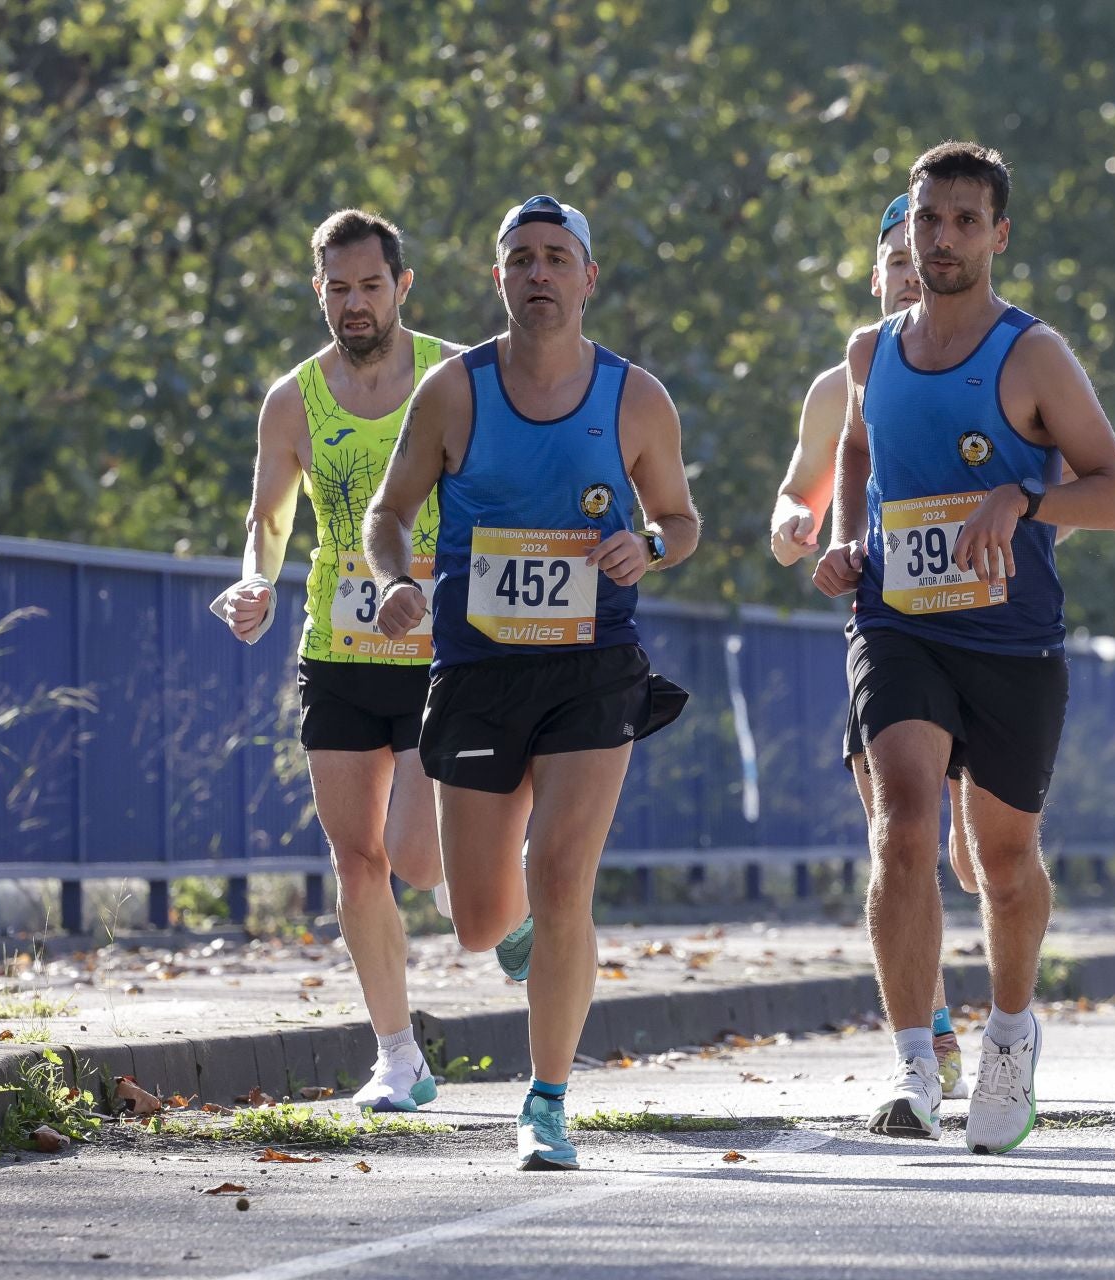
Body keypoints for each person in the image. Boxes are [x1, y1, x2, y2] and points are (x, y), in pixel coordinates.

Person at [813, 142, 1115, 1154]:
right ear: (906, 230)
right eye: (928, 221)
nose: (944, 238)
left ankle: (1009, 1038)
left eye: (965, 221)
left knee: (1002, 861)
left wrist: (1025, 496)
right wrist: (844, 534)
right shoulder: (873, 352)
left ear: (998, 235)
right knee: (904, 820)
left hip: (1011, 636)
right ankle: (914, 1059)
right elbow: (858, 444)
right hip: (898, 620)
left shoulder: (1032, 353)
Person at [364, 195, 697, 1170]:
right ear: (499, 277)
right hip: (478, 667)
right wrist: (392, 582)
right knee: (476, 916)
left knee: (560, 877)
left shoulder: (636, 396)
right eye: (523, 258)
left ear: (588, 277)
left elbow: (681, 518)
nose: (540, 273)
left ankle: (547, 1100)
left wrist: (652, 546)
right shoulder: (454, 391)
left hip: (594, 666)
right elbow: (389, 513)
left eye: (558, 257)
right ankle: (523, 944)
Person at [213, 209, 459, 1113]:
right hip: (340, 647)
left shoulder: (453, 374)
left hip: (441, 647)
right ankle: (398, 1056)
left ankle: (496, 881)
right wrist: (253, 583)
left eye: (370, 286)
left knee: (420, 863)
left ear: (402, 287)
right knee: (356, 861)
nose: (355, 304)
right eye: (338, 288)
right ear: (319, 293)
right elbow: (269, 520)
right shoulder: (294, 400)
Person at [771, 192, 972, 1098]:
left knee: (968, 858)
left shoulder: (990, 358)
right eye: (892, 260)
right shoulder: (844, 376)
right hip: (885, 631)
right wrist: (794, 527)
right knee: (900, 836)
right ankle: (927, 1029)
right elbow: (799, 489)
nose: (907, 272)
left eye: (918, 255)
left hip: (984, 636)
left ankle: (983, 1017)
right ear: (877, 274)